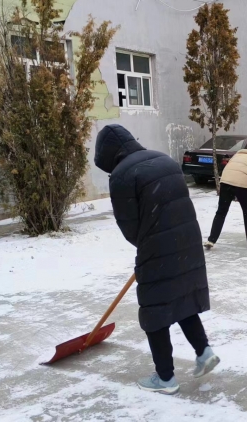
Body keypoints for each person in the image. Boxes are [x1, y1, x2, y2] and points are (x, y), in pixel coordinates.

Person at [94, 125, 220, 395]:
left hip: (157, 248)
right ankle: (204, 351)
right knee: (183, 300)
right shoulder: (164, 159)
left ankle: (165, 378)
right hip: (188, 241)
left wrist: (149, 247)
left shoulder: (121, 176)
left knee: (155, 312)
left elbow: (130, 227)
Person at [204, 145, 247, 249]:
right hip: (242, 185)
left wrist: (234, 194)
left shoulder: (238, 155)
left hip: (225, 182)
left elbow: (233, 173)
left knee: (221, 212)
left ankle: (211, 240)